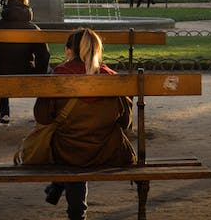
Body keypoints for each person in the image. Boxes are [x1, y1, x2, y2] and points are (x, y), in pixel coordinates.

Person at [34, 28, 136, 220]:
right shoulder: (112, 78)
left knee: (71, 149)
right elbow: (125, 122)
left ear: (68, 51)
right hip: (105, 150)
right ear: (97, 50)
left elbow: (43, 117)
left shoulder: (60, 75)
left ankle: (73, 208)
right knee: (83, 147)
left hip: (66, 151)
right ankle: (59, 187)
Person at [0, 0, 50, 125]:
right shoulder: (33, 29)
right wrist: (39, 73)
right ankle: (41, 111)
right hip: (26, 71)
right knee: (49, 74)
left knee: (2, 71)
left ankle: (4, 113)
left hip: (1, 72)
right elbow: (44, 55)